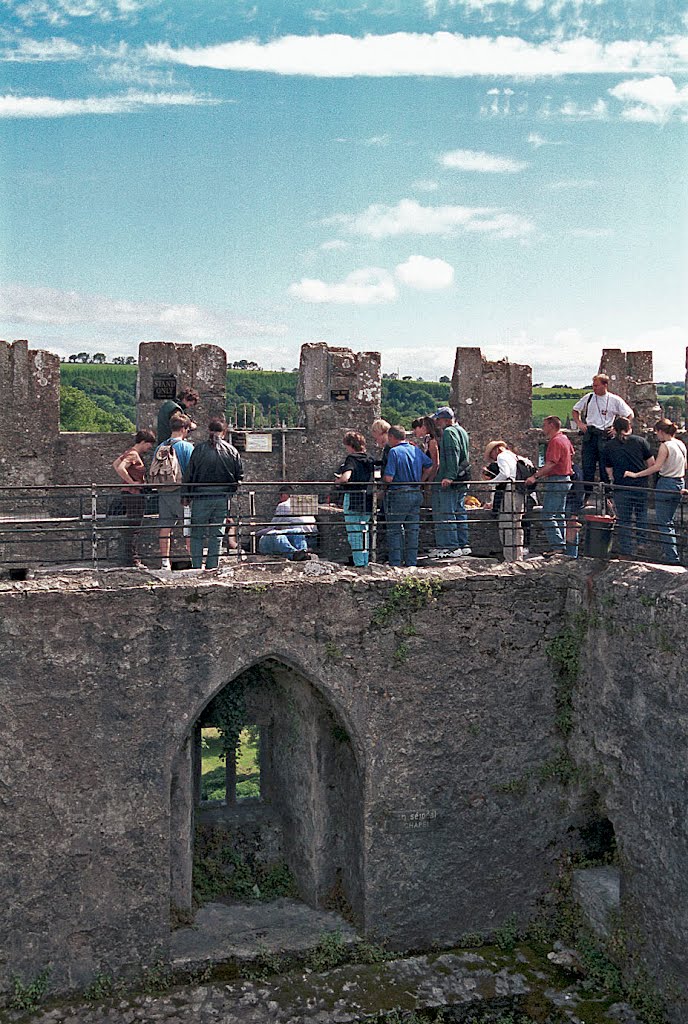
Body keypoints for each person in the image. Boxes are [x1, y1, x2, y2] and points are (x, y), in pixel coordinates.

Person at [183, 418, 243, 571]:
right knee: (216, 535)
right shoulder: (232, 451)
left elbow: (190, 474)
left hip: (201, 496)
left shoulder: (199, 450)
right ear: (224, 432)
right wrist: (230, 492)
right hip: (222, 497)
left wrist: (186, 495)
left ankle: (196, 566)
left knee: (197, 533)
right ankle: (212, 567)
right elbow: (239, 476)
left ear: (209, 431)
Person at [624, 418, 686, 565]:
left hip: (666, 483)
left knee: (663, 523)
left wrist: (636, 474)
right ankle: (674, 556)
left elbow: (656, 467)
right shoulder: (680, 444)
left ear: (660, 431)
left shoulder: (665, 446)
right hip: (679, 482)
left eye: (656, 432)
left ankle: (673, 559)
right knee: (669, 522)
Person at [601, 416, 654, 558]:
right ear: (629, 427)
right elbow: (651, 464)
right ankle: (642, 543)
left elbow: (609, 470)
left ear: (614, 429)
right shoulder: (641, 442)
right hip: (640, 486)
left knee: (624, 520)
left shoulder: (609, 446)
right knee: (641, 516)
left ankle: (627, 551)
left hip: (621, 487)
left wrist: (614, 479)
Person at [382, 425, 433, 568]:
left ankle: (395, 564)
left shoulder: (394, 452)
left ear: (392, 437)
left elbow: (389, 478)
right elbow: (429, 466)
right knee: (412, 530)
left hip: (399, 493)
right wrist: (421, 481)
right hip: (416, 492)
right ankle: (411, 563)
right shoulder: (415, 449)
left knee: (394, 530)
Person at [571, 374, 633, 487]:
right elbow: (575, 410)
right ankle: (587, 494)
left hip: (606, 436)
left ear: (605, 385)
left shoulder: (615, 400)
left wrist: (616, 430)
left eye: (596, 386)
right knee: (588, 466)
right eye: (593, 386)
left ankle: (606, 495)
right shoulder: (589, 397)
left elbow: (629, 415)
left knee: (606, 467)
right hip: (590, 435)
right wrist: (580, 424)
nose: (594, 388)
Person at [525, 416, 574, 555]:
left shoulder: (556, 441)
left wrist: (535, 476)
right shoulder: (564, 439)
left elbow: (552, 462)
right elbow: (571, 454)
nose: (542, 428)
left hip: (557, 480)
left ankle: (557, 546)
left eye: (545, 425)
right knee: (559, 514)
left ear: (552, 425)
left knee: (547, 514)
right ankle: (561, 546)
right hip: (565, 479)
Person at [428, 406, 471, 558]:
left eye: (438, 419)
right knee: (460, 511)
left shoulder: (449, 432)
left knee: (446, 512)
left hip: (451, 479)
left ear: (446, 419)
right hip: (462, 478)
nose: (437, 422)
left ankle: (450, 546)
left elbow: (453, 453)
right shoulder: (462, 431)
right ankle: (463, 544)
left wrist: (449, 476)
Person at [153, 413, 194, 570]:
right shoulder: (187, 447)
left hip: (164, 491)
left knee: (165, 527)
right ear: (184, 429)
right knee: (189, 526)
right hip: (182, 493)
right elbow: (192, 470)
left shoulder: (161, 447)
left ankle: (165, 562)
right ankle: (193, 559)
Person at [112, 429, 156, 567]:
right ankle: (133, 559)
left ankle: (131, 557)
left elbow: (115, 464)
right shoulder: (133, 454)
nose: (149, 447)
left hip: (129, 493)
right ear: (143, 442)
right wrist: (132, 482)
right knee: (135, 525)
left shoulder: (129, 452)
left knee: (132, 524)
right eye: (149, 444)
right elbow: (120, 468)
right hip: (133, 493)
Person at [334, 431, 375, 567]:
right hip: (368, 499)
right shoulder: (369, 459)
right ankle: (365, 561)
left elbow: (346, 477)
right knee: (364, 531)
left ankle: (359, 564)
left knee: (354, 533)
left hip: (353, 499)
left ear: (351, 445)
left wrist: (338, 480)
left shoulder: (351, 459)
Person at [482, 440, 525, 562]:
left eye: (492, 456)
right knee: (516, 525)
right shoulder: (514, 456)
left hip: (510, 490)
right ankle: (518, 556)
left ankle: (509, 558)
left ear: (496, 450)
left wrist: (492, 482)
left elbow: (505, 474)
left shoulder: (502, 456)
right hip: (519, 490)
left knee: (506, 525)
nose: (494, 459)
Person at [257, 488, 317, 561]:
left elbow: (273, 525)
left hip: (296, 540)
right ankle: (304, 553)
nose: (280, 499)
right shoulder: (305, 501)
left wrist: (259, 533)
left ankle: (293, 554)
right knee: (297, 531)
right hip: (313, 540)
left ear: (284, 494)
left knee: (278, 536)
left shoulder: (283, 505)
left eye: (280, 496)